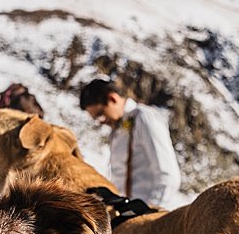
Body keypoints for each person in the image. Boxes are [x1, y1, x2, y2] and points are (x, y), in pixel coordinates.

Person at [78, 77, 182, 210]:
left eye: (100, 114)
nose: (101, 121)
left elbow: (168, 175)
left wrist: (150, 211)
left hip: (148, 214)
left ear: (112, 98)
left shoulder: (144, 117)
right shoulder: (115, 132)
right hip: (127, 214)